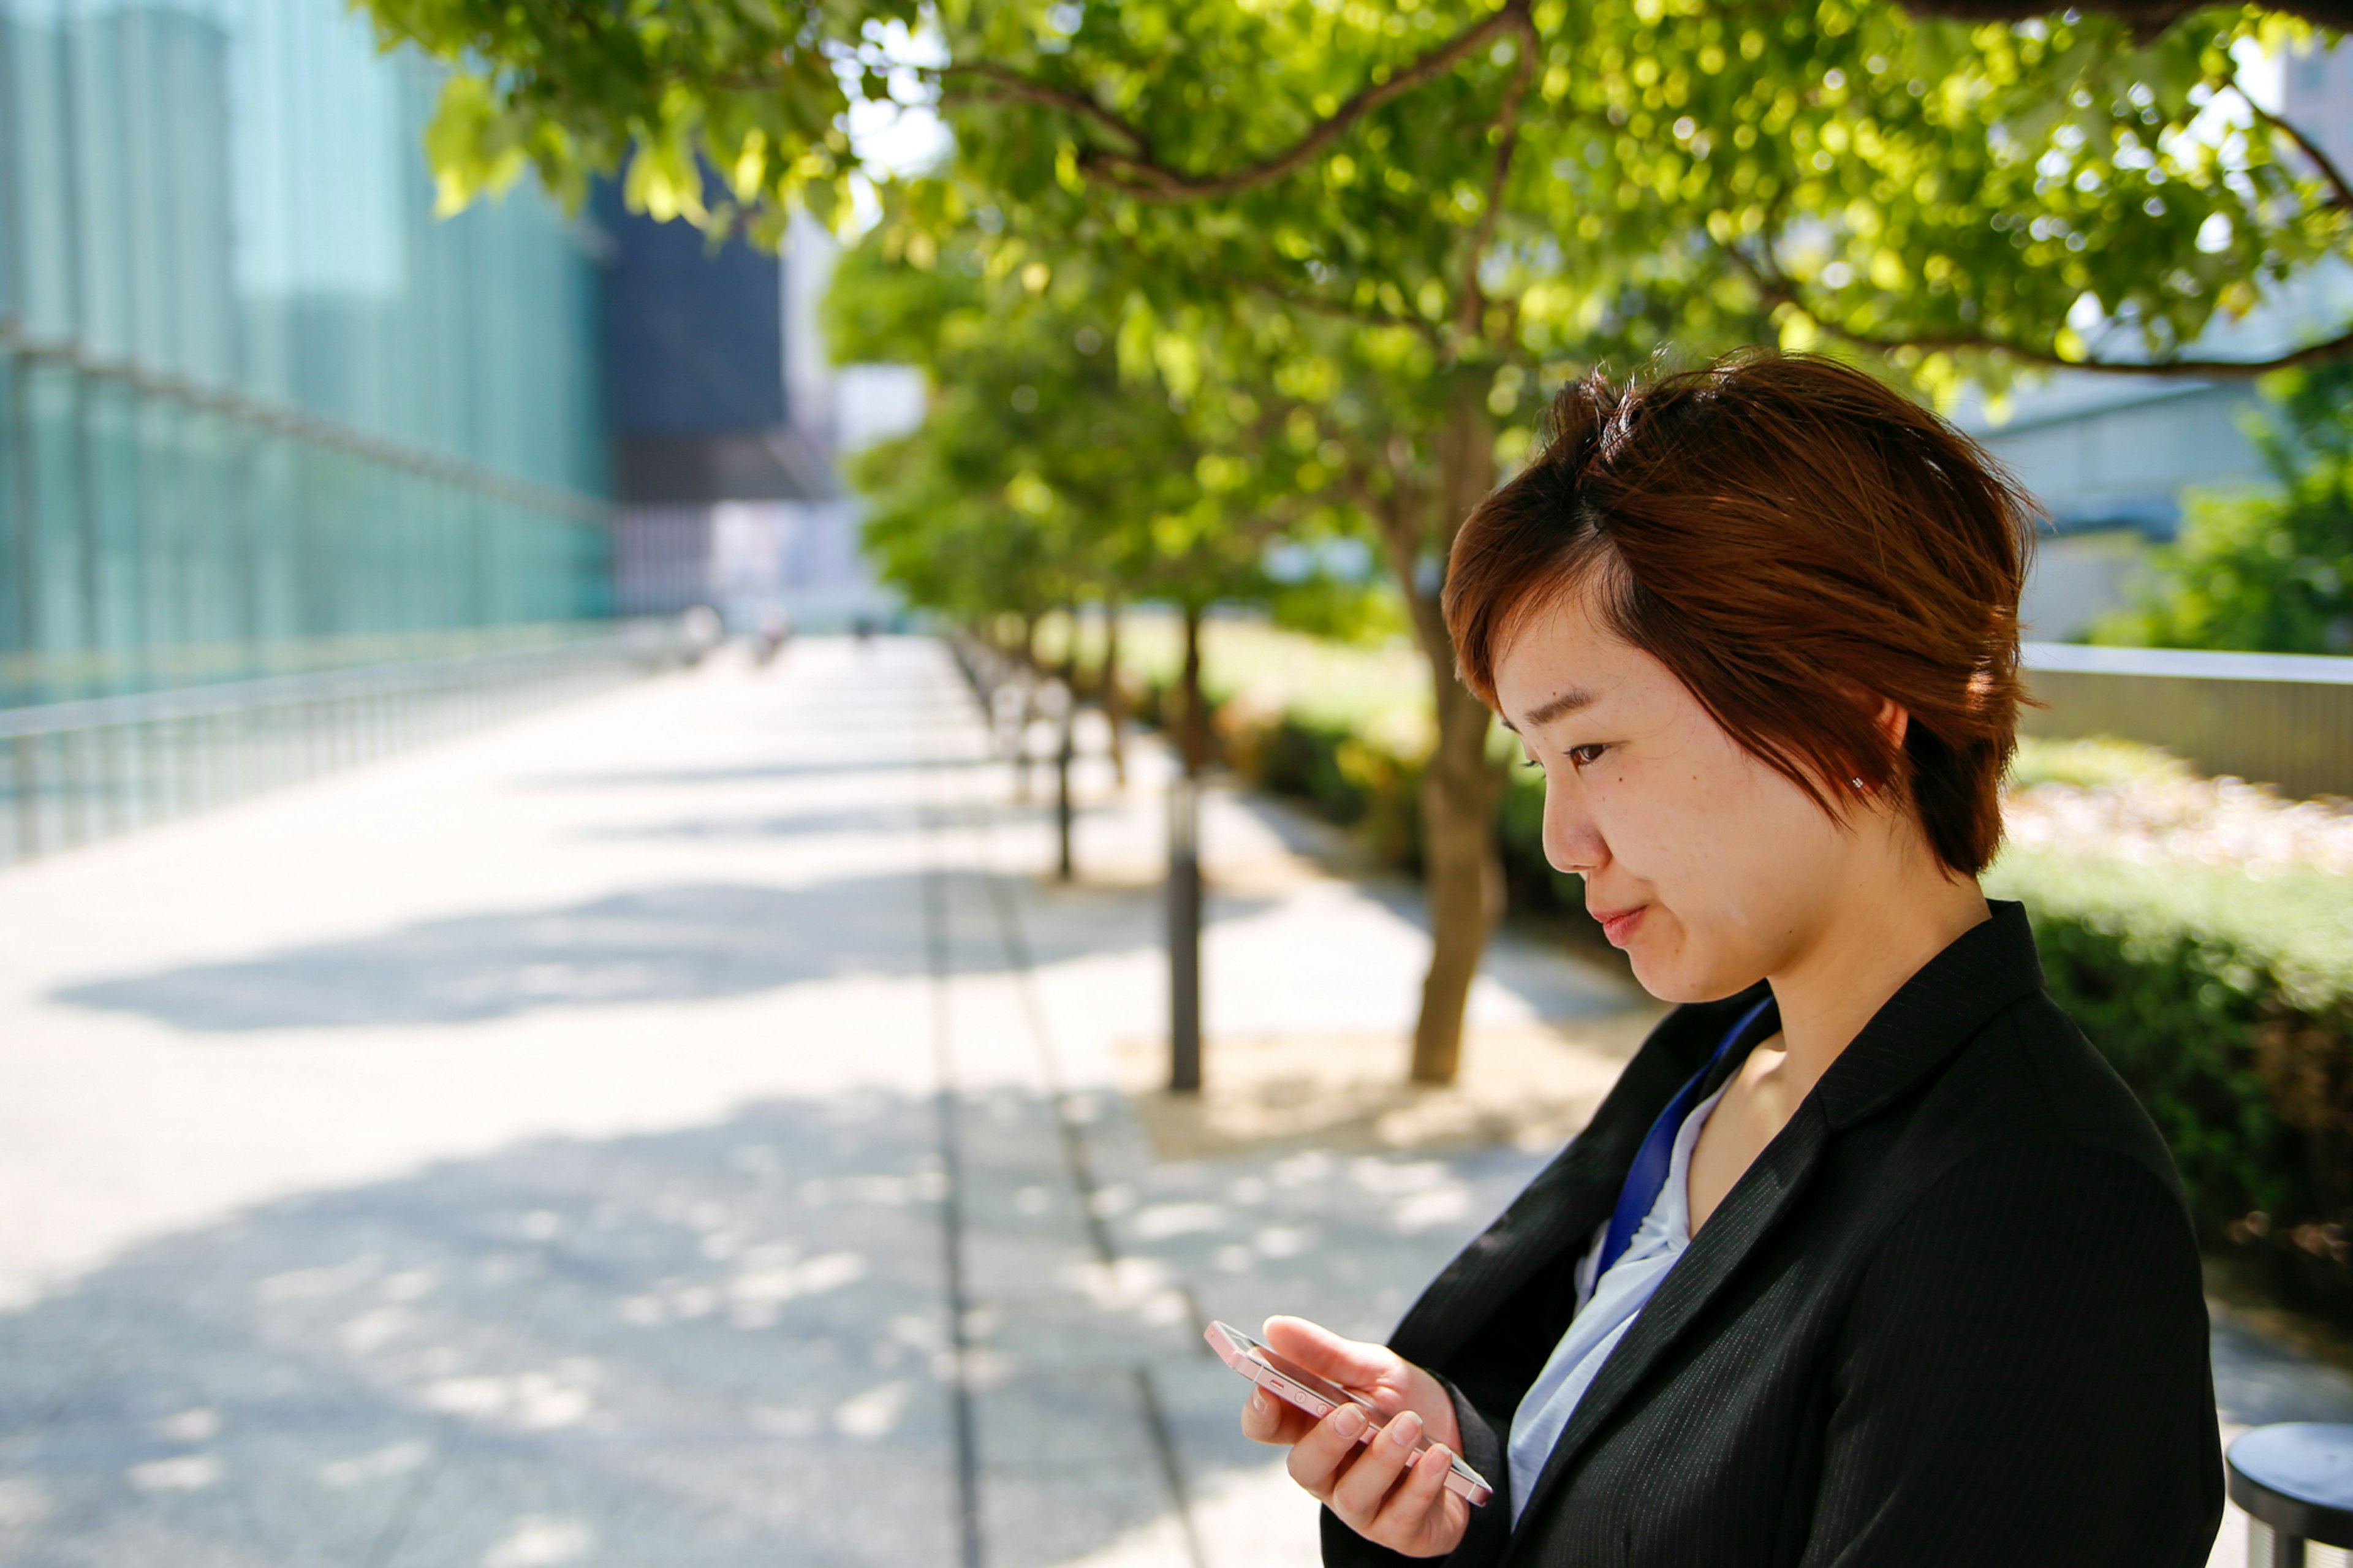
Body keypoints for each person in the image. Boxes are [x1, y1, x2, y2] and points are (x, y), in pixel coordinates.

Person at [1240, 351, 2222, 1565]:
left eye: (1594, 746)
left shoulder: (2037, 1213)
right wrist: (1459, 1477)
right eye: (1539, 761)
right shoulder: (1726, 1061)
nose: (1561, 837)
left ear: (1854, 698)